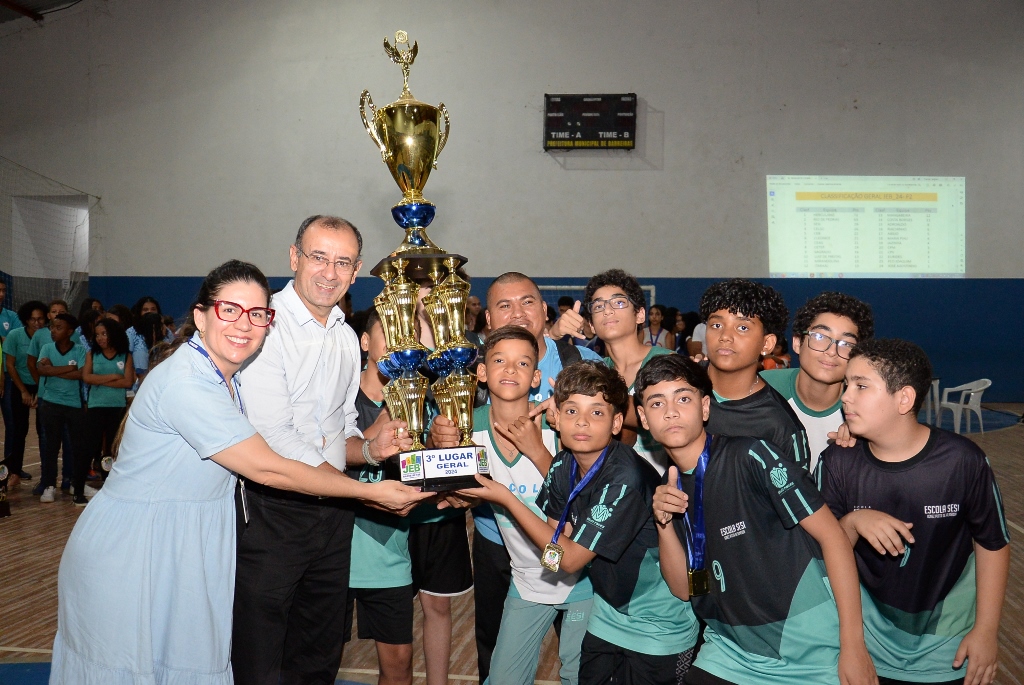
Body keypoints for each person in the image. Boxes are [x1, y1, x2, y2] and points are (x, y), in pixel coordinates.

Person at [49, 259, 429, 684]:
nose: (243, 324)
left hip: (190, 541)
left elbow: (306, 443)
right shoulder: (188, 383)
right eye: (229, 309)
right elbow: (270, 469)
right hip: (138, 546)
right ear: (200, 315)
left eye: (256, 314)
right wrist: (370, 494)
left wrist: (371, 452)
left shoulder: (230, 379)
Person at [232, 216, 419, 684]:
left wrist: (373, 450)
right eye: (318, 257)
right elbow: (277, 441)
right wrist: (365, 493)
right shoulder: (263, 329)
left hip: (333, 517)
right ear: (294, 258)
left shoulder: (341, 333)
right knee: (261, 657)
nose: (329, 272)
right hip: (273, 510)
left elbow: (340, 432)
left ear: (356, 272)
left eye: (342, 262)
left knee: (318, 653)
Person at [637, 354, 876, 685]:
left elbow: (833, 537)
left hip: (805, 643)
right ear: (643, 418)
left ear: (705, 408)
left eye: (683, 398)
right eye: (656, 403)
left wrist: (854, 647)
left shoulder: (753, 456)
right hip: (729, 649)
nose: (671, 411)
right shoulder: (670, 488)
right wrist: (663, 523)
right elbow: (682, 588)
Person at [466, 361, 699, 685]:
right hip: (606, 615)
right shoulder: (563, 463)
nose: (583, 423)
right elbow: (556, 546)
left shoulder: (624, 479)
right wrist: (552, 559)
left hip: (656, 626)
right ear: (557, 418)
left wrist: (506, 498)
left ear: (617, 422)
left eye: (597, 413)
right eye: (572, 411)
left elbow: (568, 558)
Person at [819, 339, 1010, 685]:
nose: (845, 396)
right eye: (847, 385)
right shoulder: (836, 461)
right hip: (864, 644)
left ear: (904, 399)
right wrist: (853, 522)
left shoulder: (962, 461)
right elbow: (819, 558)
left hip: (946, 646)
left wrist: (986, 630)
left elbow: (992, 543)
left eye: (861, 386)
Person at [442, 271, 603, 679]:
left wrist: (540, 447)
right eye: (498, 361)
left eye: (522, 364)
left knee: (578, 675)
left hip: (581, 578)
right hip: (526, 581)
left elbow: (588, 497)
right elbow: (449, 485)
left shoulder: (562, 426)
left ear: (537, 377)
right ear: (480, 372)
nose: (509, 370)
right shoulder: (467, 430)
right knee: (502, 676)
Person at [345, 310, 415, 685]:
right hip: (334, 549)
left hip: (387, 549)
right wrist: (382, 423)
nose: (397, 342)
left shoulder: (419, 400)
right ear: (365, 342)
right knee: (317, 658)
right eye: (388, 333)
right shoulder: (336, 395)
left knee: (400, 663)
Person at [699, 279, 812, 467]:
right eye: (716, 325)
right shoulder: (680, 384)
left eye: (742, 327)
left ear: (766, 344)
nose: (725, 336)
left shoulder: (780, 425)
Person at [761, 292, 874, 472]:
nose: (831, 351)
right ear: (797, 342)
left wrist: (869, 441)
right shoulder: (764, 387)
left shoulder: (867, 407)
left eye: (846, 344)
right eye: (820, 337)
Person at [582, 269, 673, 475]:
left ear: (640, 314)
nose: (607, 311)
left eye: (619, 302)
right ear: (591, 324)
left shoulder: (666, 362)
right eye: (598, 306)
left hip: (667, 489)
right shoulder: (595, 372)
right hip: (617, 490)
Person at [35, 313, 88, 504]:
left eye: (58, 328)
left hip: (73, 404)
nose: (53, 331)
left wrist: (54, 369)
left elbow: (82, 374)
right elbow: (42, 370)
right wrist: (69, 369)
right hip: (50, 403)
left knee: (75, 446)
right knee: (50, 446)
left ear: (70, 331)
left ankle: (75, 482)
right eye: (52, 327)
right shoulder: (47, 348)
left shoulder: (80, 350)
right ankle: (49, 485)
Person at [81, 317, 135, 485]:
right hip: (96, 405)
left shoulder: (125, 356)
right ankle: (80, 481)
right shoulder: (92, 355)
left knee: (112, 447)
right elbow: (87, 377)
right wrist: (112, 377)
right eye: (97, 335)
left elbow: (127, 382)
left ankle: (109, 479)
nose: (100, 338)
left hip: (116, 407)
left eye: (104, 334)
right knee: (91, 444)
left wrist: (99, 379)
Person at [2, 301, 46, 490]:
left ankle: (47, 476)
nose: (36, 323)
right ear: (25, 319)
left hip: (43, 386)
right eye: (32, 319)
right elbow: (10, 365)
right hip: (19, 385)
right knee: (19, 430)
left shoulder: (48, 337)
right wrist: (23, 391)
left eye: (40, 319)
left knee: (44, 432)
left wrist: (40, 391)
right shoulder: (14, 335)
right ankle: (14, 472)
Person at [0, 280, 30, 485]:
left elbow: (16, 344)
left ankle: (10, 469)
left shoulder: (12, 317)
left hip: (8, 378)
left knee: (13, 425)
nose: (1, 293)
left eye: (3, 290)